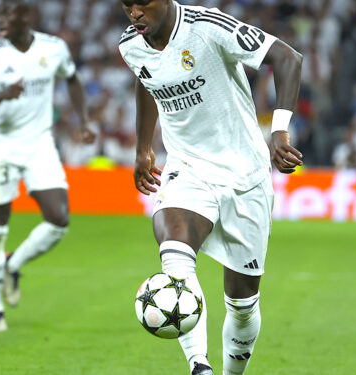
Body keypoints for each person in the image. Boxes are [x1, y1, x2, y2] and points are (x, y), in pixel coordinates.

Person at [118, 1, 303, 374]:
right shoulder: (130, 44)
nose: (135, 13)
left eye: (143, 3)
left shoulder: (207, 27)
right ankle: (198, 365)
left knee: (242, 302)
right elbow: (147, 78)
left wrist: (279, 131)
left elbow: (288, 58)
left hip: (245, 175)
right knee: (175, 254)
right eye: (127, 5)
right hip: (187, 167)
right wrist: (143, 148)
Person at [0, 0, 95, 332]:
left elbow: (73, 78)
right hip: (1, 148)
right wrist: (2, 96)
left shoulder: (53, 48)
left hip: (39, 144)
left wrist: (83, 120)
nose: (1, 21)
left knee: (59, 219)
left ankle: (14, 264)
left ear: (27, 16)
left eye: (8, 15)